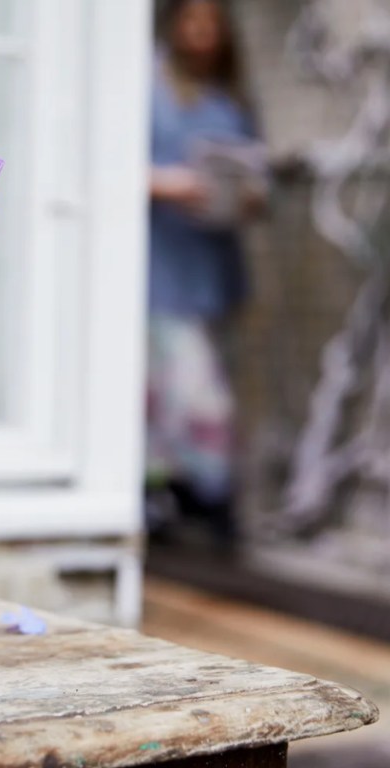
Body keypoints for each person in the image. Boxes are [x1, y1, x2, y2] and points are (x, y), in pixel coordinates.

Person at [145, 0, 265, 548]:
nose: (200, 35)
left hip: (211, 267)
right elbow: (112, 162)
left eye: (211, 24)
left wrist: (244, 197)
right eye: (191, 22)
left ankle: (177, 493)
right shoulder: (149, 86)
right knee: (189, 391)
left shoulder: (230, 99)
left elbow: (257, 179)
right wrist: (169, 183)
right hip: (159, 265)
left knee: (179, 390)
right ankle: (202, 493)